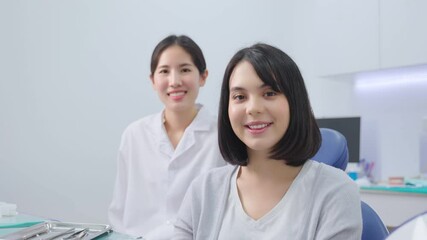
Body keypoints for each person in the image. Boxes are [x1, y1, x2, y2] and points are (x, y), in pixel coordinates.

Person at [174, 43, 362, 239]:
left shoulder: (335, 191)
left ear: (295, 102)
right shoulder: (204, 191)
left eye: (269, 93)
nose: (253, 108)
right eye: (239, 97)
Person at [108, 35, 226, 239]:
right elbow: (119, 211)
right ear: (153, 80)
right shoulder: (134, 135)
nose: (175, 81)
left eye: (185, 69)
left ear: (203, 76)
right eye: (164, 71)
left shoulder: (223, 135)